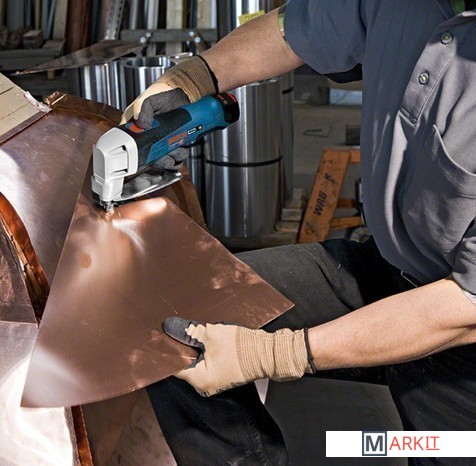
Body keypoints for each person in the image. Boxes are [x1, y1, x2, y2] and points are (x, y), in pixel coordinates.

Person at [125, 1, 476, 465]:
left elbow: (466, 305)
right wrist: (195, 78)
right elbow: (298, 28)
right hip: (391, 265)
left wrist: (275, 354)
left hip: (459, 325)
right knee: (176, 316)